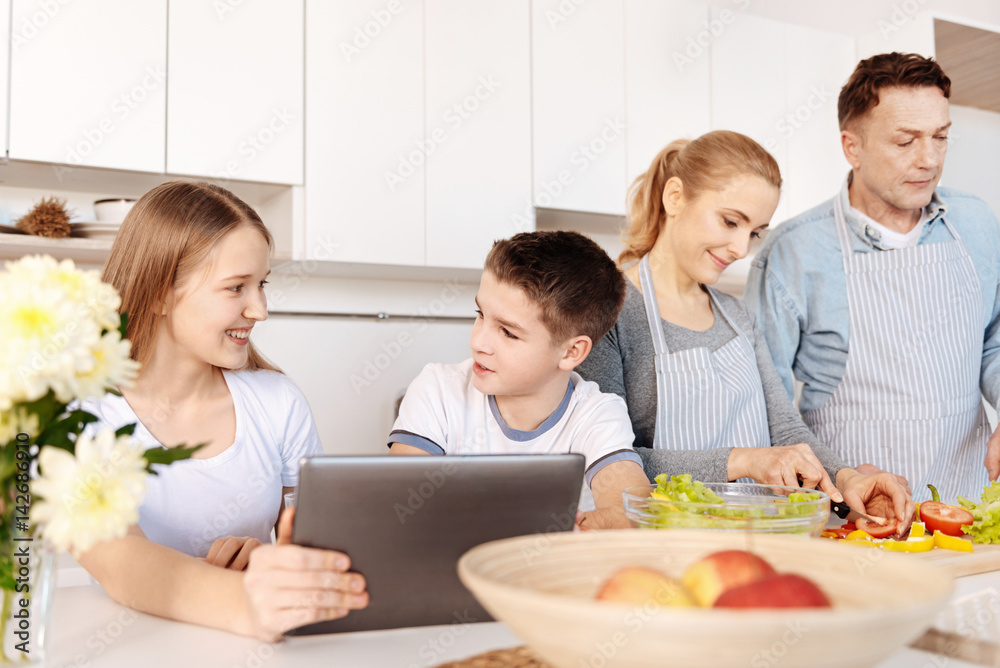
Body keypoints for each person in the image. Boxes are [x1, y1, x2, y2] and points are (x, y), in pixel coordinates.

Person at [77, 181, 368, 641]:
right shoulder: (82, 416)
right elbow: (121, 561)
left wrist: (272, 563)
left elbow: (318, 543)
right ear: (159, 294)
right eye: (236, 288)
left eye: (262, 285)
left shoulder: (278, 402)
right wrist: (245, 602)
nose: (260, 310)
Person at [577, 130, 913, 524]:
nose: (741, 249)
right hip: (664, 541)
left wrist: (848, 477)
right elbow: (610, 457)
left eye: (754, 232)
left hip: (757, 535)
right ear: (675, 197)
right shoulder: (606, 311)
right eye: (730, 221)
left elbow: (784, 429)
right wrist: (746, 461)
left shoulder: (738, 317)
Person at [745, 52, 1000, 504]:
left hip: (963, 508)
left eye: (940, 137)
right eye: (905, 141)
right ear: (852, 147)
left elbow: (994, 341)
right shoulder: (793, 251)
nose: (929, 159)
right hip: (850, 515)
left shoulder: (977, 223)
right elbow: (767, 403)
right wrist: (835, 477)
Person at [388, 231, 649, 529]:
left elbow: (629, 507)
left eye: (508, 332)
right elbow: (400, 503)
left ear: (571, 352)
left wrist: (621, 518)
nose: (478, 342)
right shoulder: (437, 389)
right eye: (480, 314)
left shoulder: (598, 414)